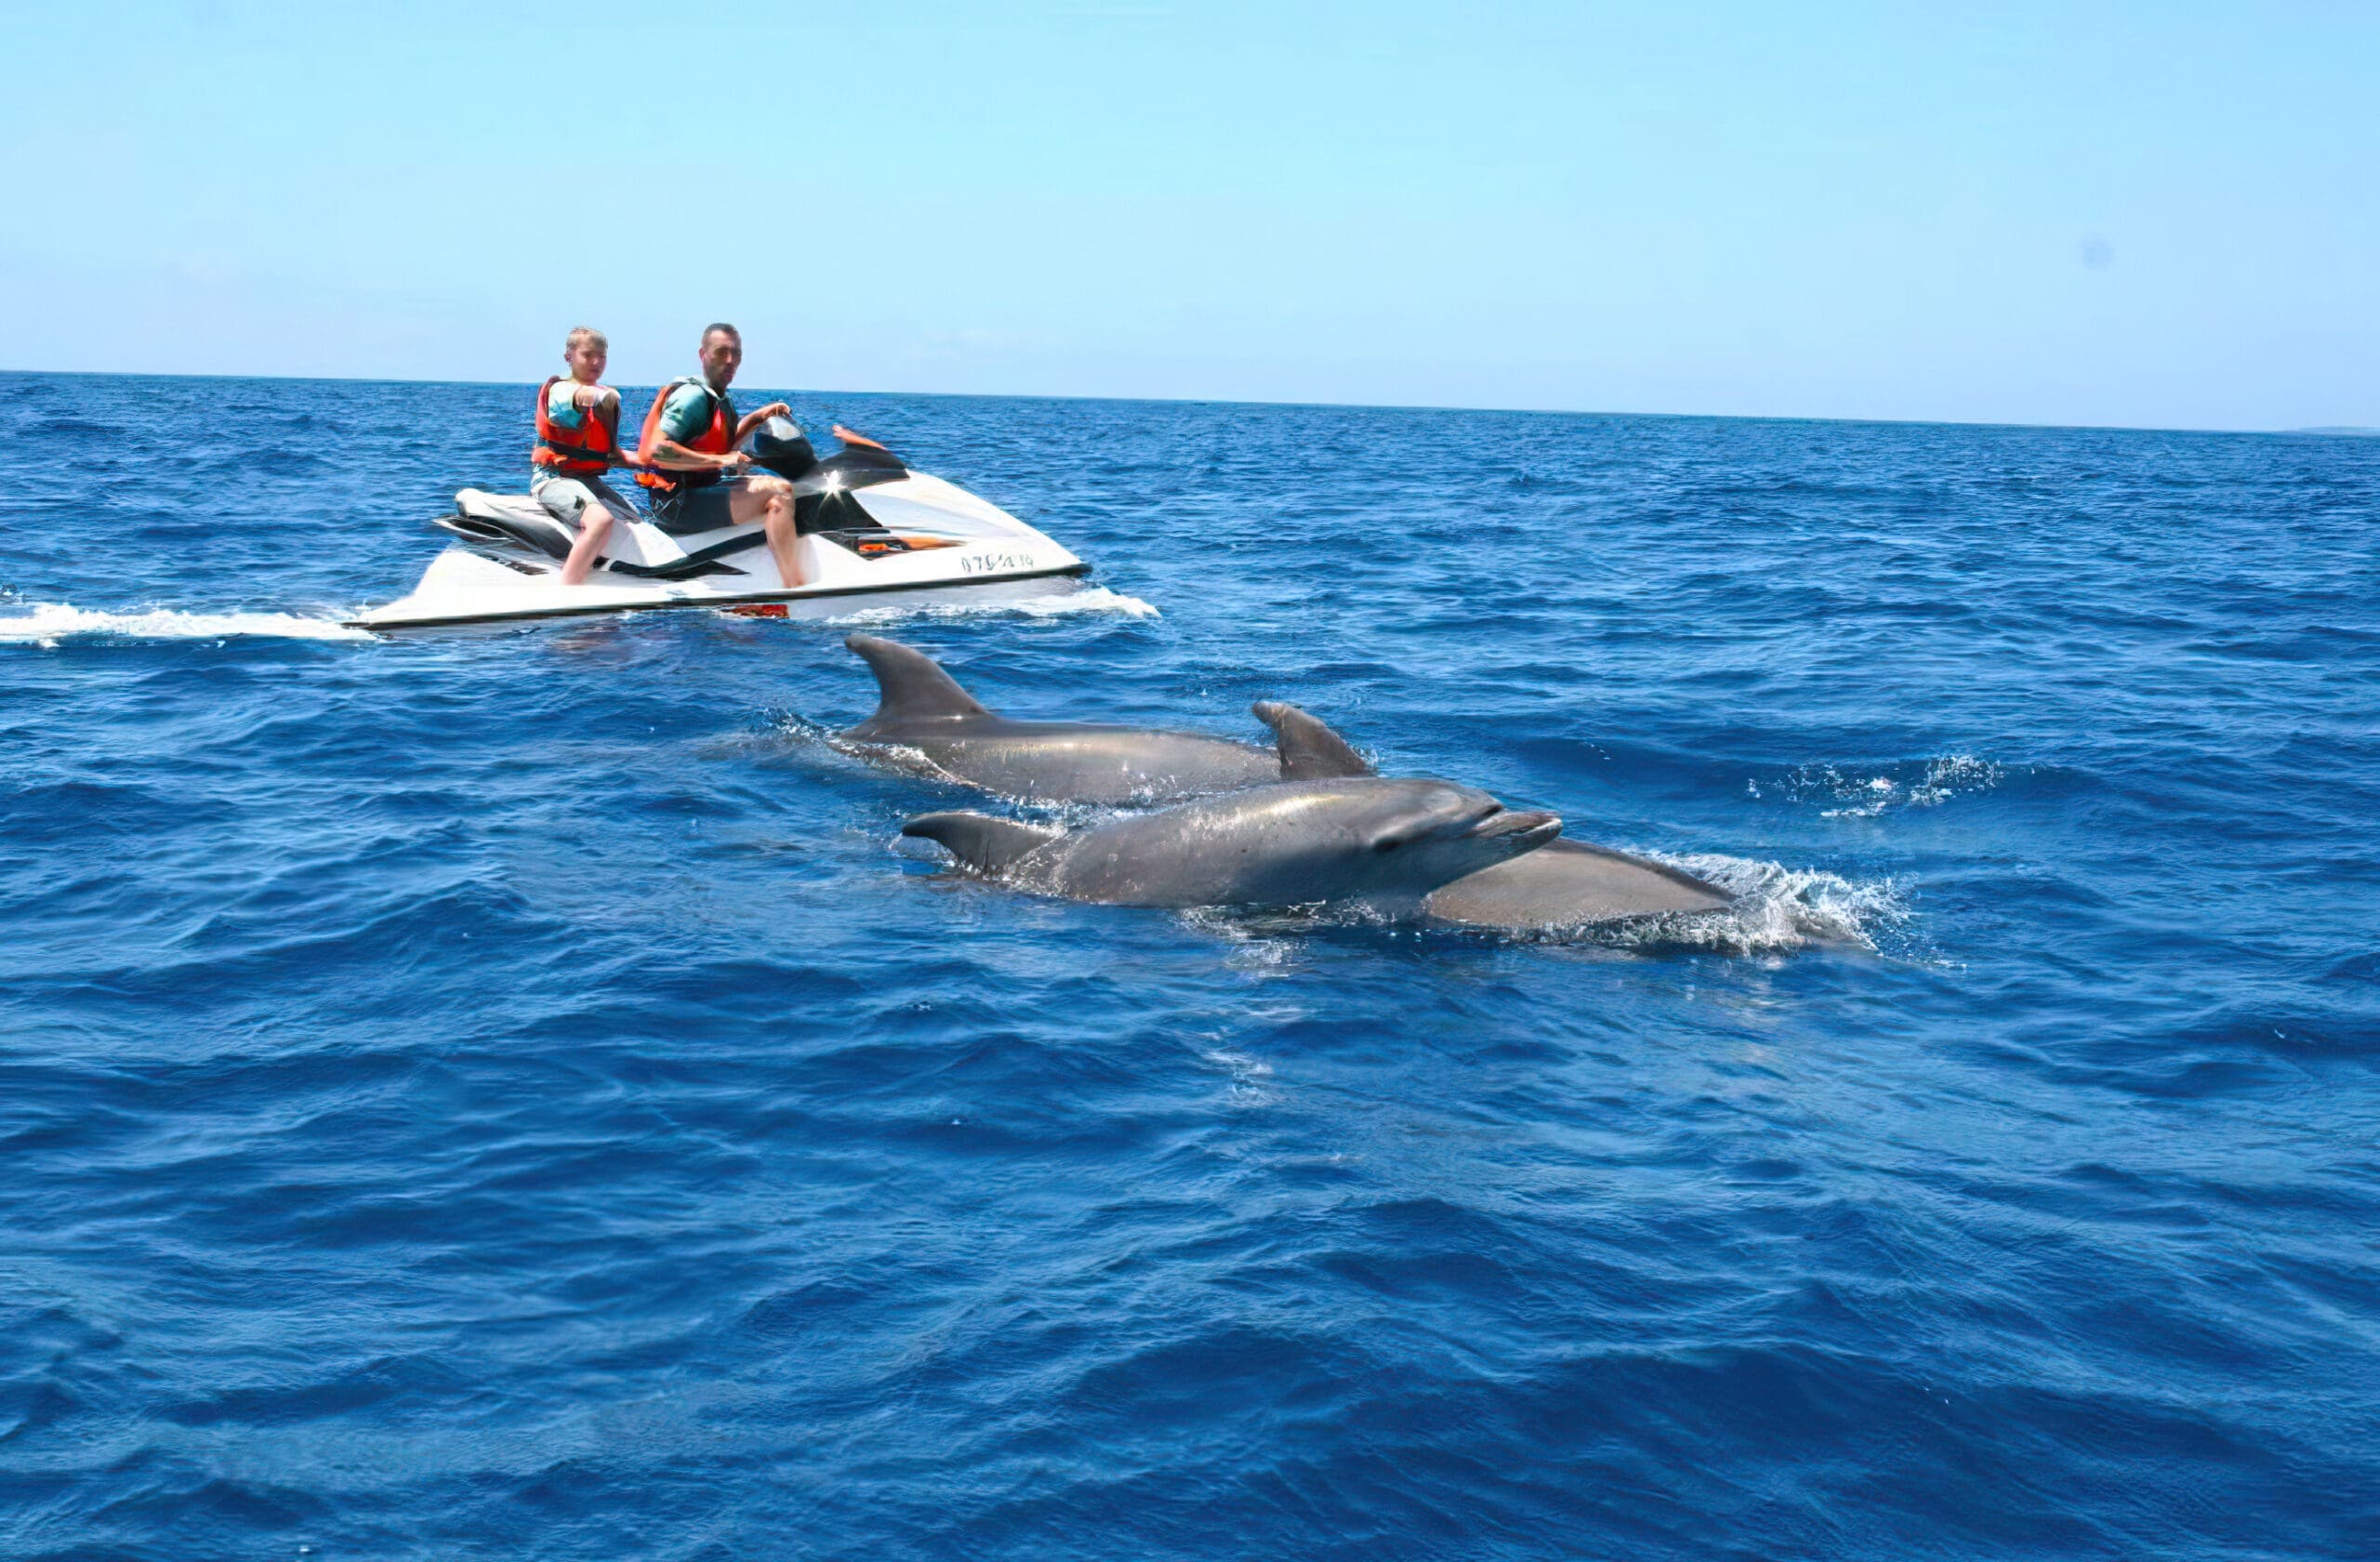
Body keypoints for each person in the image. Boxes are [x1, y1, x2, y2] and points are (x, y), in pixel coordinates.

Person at [634, 323, 805, 587]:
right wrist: (720, 461)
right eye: (721, 352)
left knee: (789, 489)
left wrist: (760, 417)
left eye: (736, 354)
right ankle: (795, 585)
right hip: (678, 505)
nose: (730, 360)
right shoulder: (692, 397)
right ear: (703, 355)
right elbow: (658, 451)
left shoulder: (719, 397)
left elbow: (723, 445)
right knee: (779, 491)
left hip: (699, 491)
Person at [532, 326, 641, 587]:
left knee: (636, 521)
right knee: (600, 520)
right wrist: (601, 395)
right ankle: (568, 587)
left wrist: (663, 464)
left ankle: (611, 572)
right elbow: (576, 399)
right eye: (588, 355)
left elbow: (611, 456)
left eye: (601, 356)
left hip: (586, 479)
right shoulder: (562, 390)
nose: (596, 362)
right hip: (553, 479)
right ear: (568, 356)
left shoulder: (603, 398)